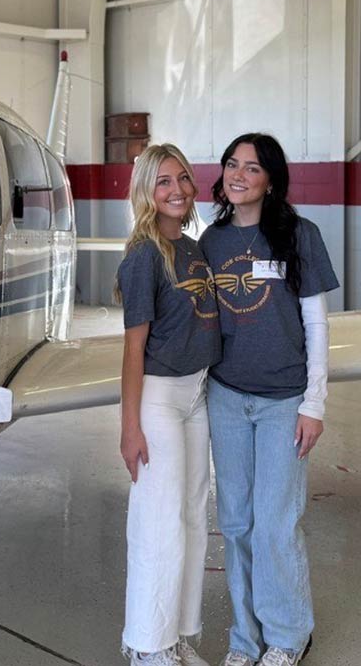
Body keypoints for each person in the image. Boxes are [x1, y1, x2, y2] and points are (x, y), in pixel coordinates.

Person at [198, 134, 339, 666]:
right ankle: (245, 639)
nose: (238, 175)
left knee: (275, 523)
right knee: (235, 523)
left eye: (251, 168)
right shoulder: (210, 242)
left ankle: (287, 637)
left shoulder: (300, 236)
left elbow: (316, 323)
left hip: (284, 402)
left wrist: (314, 403)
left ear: (271, 181)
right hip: (227, 398)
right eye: (232, 165)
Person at [116, 144, 222, 666]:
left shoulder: (194, 250)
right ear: (146, 192)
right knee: (159, 522)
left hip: (196, 395)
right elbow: (133, 349)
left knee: (191, 518)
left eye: (182, 178)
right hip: (158, 399)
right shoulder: (143, 255)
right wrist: (129, 427)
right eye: (163, 182)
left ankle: (177, 634)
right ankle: (146, 645)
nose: (177, 189)